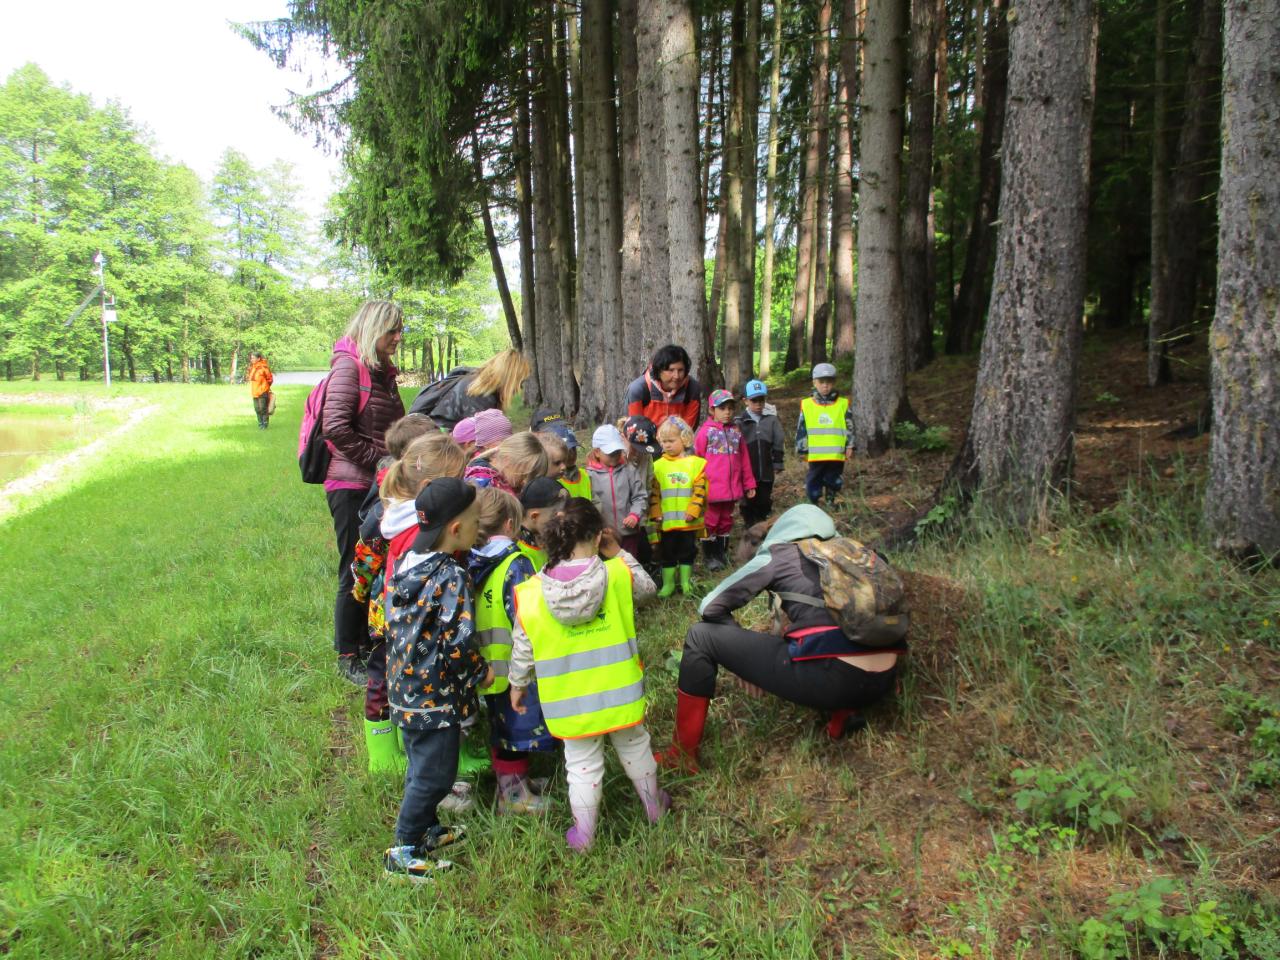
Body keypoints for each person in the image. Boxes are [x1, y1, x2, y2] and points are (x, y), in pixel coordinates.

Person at [658, 505, 904, 773]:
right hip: (885, 679)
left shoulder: (780, 553)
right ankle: (843, 715)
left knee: (700, 636)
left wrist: (740, 661)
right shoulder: (853, 551)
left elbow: (709, 606)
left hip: (835, 681)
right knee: (821, 633)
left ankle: (682, 755)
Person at [508, 499, 668, 850]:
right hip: (620, 689)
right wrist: (619, 552)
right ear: (598, 537)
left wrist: (517, 684)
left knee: (581, 765)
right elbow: (648, 590)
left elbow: (523, 645)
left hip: (568, 701)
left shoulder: (531, 593)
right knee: (635, 745)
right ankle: (654, 806)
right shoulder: (617, 574)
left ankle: (584, 835)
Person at [383, 478, 490, 881]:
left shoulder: (407, 561)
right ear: (456, 529)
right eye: (476, 522)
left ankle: (426, 829)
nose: (479, 528)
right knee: (435, 776)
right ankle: (403, 850)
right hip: (435, 695)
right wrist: (480, 672)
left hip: (404, 688)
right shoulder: (451, 575)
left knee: (419, 765)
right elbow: (458, 640)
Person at [355, 430, 467, 775]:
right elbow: (367, 562)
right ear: (430, 486)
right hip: (403, 619)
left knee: (405, 679)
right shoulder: (410, 527)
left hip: (402, 616)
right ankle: (382, 755)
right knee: (385, 680)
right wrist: (361, 590)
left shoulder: (405, 516)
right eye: (456, 481)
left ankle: (410, 744)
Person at [323, 301, 407, 686]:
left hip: (376, 484)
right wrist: (379, 461)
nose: (398, 337)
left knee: (373, 565)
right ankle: (347, 653)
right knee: (353, 567)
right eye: (392, 330)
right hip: (351, 485)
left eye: (400, 329)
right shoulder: (349, 368)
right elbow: (335, 427)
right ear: (374, 328)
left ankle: (366, 639)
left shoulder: (383, 372)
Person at [468, 488, 555, 815]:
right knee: (516, 729)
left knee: (502, 725)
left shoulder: (475, 560)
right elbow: (528, 614)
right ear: (509, 524)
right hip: (515, 663)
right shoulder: (515, 564)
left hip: (490, 663)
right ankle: (512, 794)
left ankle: (516, 782)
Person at [694, 390, 756, 572]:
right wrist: (697, 486)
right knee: (710, 521)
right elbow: (697, 460)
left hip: (731, 488)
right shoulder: (705, 433)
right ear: (712, 410)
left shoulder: (736, 433)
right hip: (711, 489)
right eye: (722, 408)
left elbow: (744, 459)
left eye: (730, 408)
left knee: (726, 520)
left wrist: (749, 483)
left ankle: (721, 553)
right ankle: (710, 555)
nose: (727, 412)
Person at [647, 416, 707, 598]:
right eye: (664, 441)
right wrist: (656, 513)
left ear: (684, 439)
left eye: (671, 441)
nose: (667, 445)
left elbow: (700, 490)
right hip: (667, 523)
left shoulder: (695, 464)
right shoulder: (657, 466)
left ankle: (685, 582)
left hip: (688, 522)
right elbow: (654, 493)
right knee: (667, 552)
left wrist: (693, 510)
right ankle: (669, 584)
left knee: (688, 551)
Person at [407, 349, 532, 432]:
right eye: (519, 382)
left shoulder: (475, 382)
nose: (519, 388)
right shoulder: (480, 394)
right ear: (509, 378)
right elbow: (483, 440)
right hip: (437, 445)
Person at [586, 424, 648, 559]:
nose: (615, 456)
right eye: (610, 453)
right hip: (604, 535)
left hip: (628, 533)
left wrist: (634, 515)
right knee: (608, 566)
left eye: (617, 451)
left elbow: (639, 496)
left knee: (629, 563)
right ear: (597, 452)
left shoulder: (628, 470)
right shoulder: (589, 475)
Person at [796, 362, 853, 506]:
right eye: (821, 382)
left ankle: (830, 502)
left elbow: (849, 425)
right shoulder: (807, 404)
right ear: (814, 382)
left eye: (829, 382)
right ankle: (813, 503)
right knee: (814, 480)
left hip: (836, 453)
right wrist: (802, 448)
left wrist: (850, 445)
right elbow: (802, 428)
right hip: (816, 454)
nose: (825, 385)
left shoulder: (843, 403)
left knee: (833, 479)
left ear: (834, 382)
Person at [735, 380, 785, 527]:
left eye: (761, 400)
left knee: (764, 497)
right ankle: (749, 524)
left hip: (766, 469)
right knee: (747, 499)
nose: (758, 404)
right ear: (745, 401)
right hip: (747, 470)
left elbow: (778, 440)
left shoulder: (772, 420)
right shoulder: (739, 422)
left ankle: (763, 522)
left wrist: (778, 462)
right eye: (754, 400)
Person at [625, 344, 704, 430]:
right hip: (645, 437)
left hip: (679, 437)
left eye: (680, 370)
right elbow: (634, 428)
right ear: (659, 370)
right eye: (671, 370)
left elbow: (688, 429)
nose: (676, 376)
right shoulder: (638, 389)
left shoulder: (692, 388)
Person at [464, 431, 549, 494]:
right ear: (507, 460)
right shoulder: (485, 485)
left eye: (532, 479)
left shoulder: (501, 481)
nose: (525, 483)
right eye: (523, 476)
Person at [516, 477, 569, 571]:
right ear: (534, 516)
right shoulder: (519, 556)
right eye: (555, 515)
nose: (562, 521)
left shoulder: (547, 541)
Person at [247, 352, 274, 429]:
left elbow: (270, 379)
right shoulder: (252, 367)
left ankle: (265, 424)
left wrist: (266, 387)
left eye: (253, 358)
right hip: (254, 391)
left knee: (263, 408)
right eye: (251, 358)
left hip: (263, 391)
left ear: (258, 358)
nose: (251, 359)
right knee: (257, 408)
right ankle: (260, 423)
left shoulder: (264, 367)